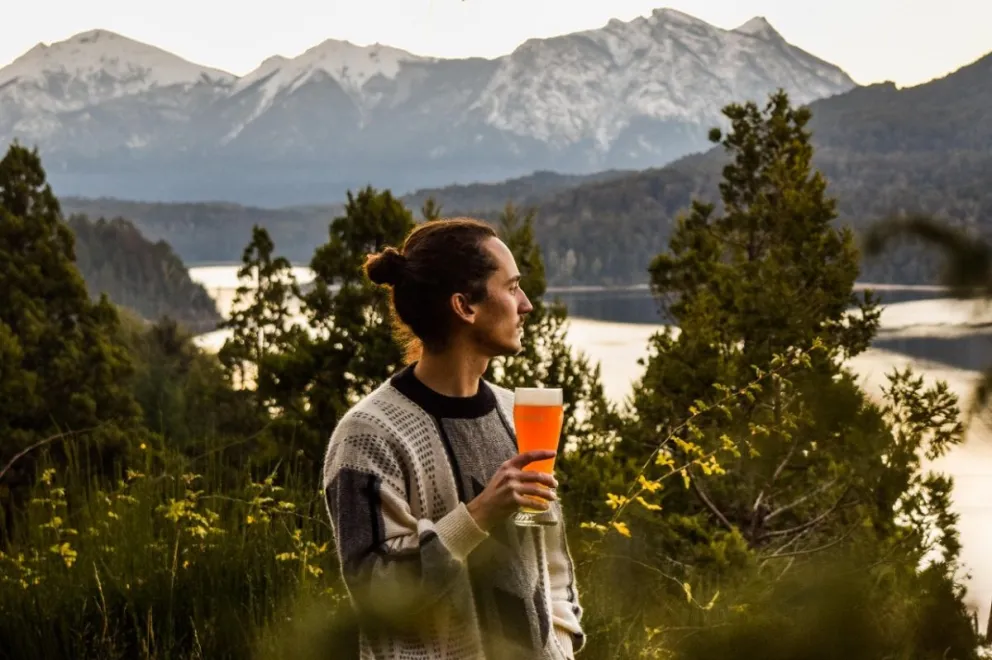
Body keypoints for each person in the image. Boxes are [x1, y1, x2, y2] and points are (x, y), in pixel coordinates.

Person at [322, 217, 584, 659]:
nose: (526, 305)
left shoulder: (517, 414)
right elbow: (374, 590)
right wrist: (478, 515)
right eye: (513, 286)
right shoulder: (367, 435)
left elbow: (553, 563)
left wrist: (560, 644)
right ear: (465, 306)